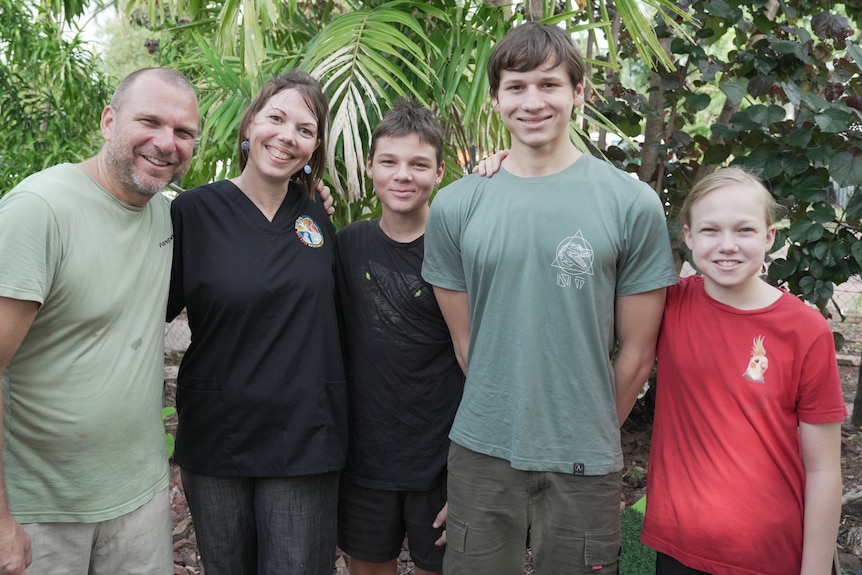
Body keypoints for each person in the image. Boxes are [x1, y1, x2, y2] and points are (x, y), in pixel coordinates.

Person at [421, 21, 678, 575]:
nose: (532, 101)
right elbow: (469, 345)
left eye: (549, 84)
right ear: (495, 100)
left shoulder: (630, 203)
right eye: (516, 87)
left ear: (578, 93)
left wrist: (588, 425)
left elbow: (637, 353)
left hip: (586, 455)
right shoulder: (455, 206)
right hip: (483, 447)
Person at [0, 67, 199, 575]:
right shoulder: (40, 210)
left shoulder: (162, 213)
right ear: (109, 121)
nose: (166, 143)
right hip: (42, 508)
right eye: (149, 121)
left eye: (183, 132)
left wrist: (309, 199)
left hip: (140, 498)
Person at [166, 70, 345, 575]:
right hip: (219, 432)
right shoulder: (194, 212)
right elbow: (147, 310)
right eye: (277, 118)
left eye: (305, 129)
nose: (288, 136)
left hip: (305, 436)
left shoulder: (317, 215)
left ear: (314, 147)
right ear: (250, 125)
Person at [641, 166, 846, 575]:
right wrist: (520, 162)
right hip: (680, 545)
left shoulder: (804, 329)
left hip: (768, 552)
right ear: (688, 236)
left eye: (746, 231)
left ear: (770, 237)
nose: (727, 245)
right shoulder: (667, 304)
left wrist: (817, 570)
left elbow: (823, 468)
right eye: (711, 230)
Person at [335, 100, 464, 575]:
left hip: (443, 459)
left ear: (439, 171)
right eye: (388, 161)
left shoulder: (457, 250)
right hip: (365, 457)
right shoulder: (348, 245)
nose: (402, 175)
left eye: (418, 164)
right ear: (370, 167)